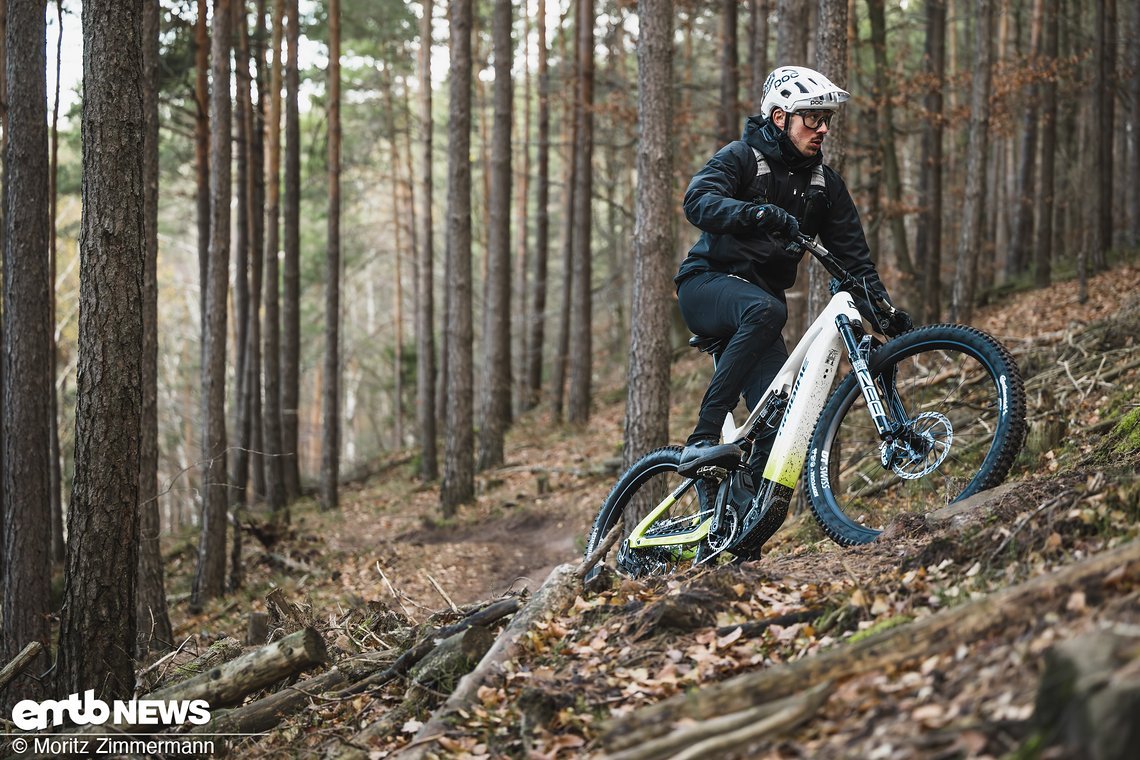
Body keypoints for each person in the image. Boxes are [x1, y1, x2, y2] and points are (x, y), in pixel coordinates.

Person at [673, 65, 912, 496]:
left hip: (758, 311)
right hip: (706, 285)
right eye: (812, 118)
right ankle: (702, 439)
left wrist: (885, 313)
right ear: (781, 117)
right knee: (767, 309)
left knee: (779, 425)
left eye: (827, 120)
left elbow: (855, 261)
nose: (822, 129)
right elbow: (698, 201)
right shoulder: (742, 158)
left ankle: (736, 529)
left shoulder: (825, 186)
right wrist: (754, 213)